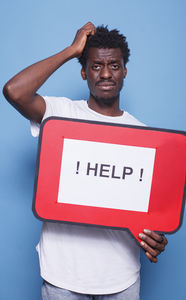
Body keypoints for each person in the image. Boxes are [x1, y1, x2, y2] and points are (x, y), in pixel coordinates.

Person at [3, 22, 168, 300]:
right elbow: (14, 91)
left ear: (125, 71)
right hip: (63, 278)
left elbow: (149, 211)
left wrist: (156, 237)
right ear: (83, 72)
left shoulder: (144, 135)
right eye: (95, 66)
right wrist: (71, 50)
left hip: (121, 279)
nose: (106, 73)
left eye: (114, 66)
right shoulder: (60, 113)